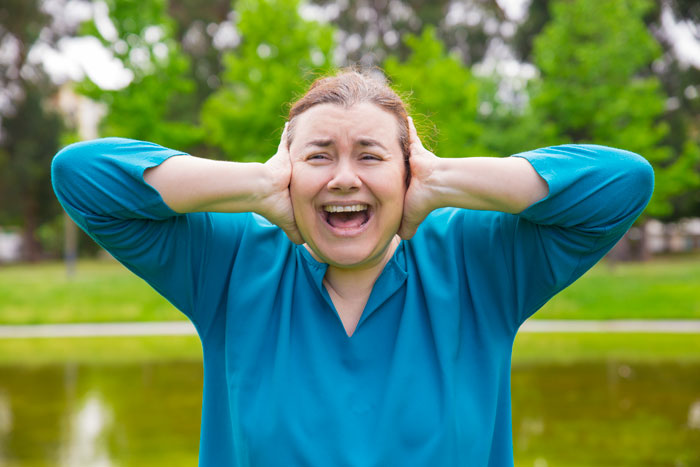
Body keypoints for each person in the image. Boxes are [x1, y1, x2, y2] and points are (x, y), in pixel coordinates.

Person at [51, 69, 654, 466]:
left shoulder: (475, 260)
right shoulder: (234, 259)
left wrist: (442, 179)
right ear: (289, 171)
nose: (343, 177)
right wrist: (258, 185)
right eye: (319, 156)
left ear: (408, 172)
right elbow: (82, 176)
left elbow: (622, 183)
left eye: (370, 155)